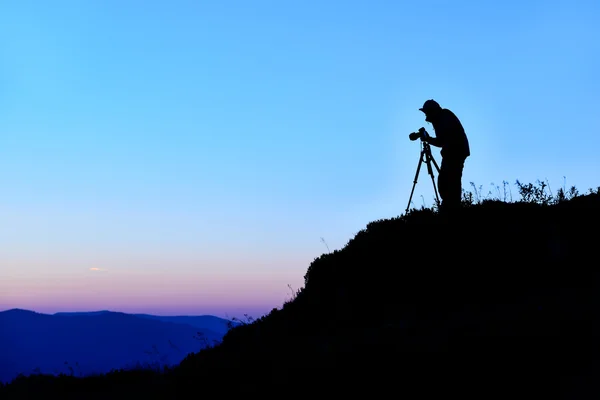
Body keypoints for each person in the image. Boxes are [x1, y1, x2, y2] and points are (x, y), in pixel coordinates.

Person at [419, 99, 470, 212]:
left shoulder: (443, 117)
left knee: (451, 181)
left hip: (455, 152)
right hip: (452, 153)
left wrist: (428, 139)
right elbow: (441, 141)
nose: (426, 116)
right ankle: (450, 207)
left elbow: (441, 141)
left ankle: (452, 209)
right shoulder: (441, 117)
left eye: (427, 113)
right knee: (446, 181)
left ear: (432, 111)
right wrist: (429, 139)